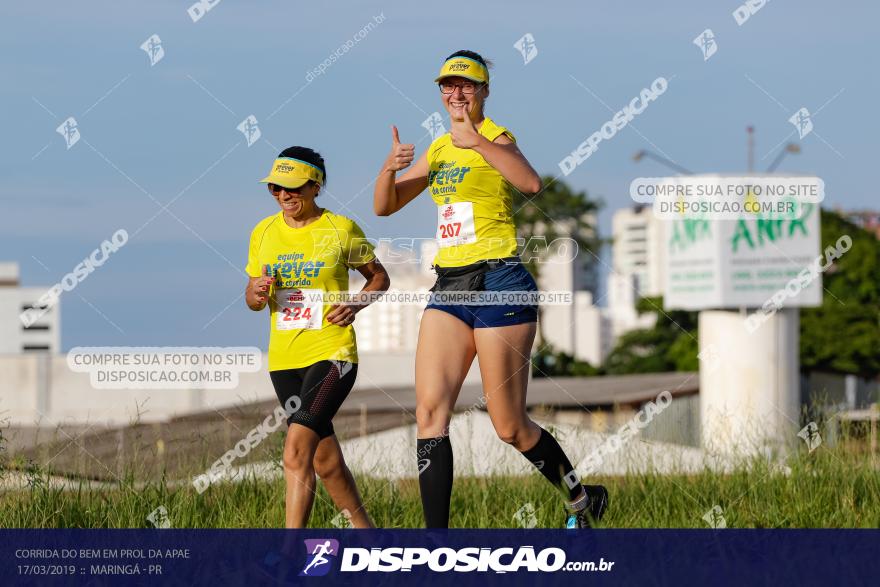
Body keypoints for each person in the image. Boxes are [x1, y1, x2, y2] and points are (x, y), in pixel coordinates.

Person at [373, 50, 608, 529]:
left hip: (500, 282)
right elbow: (386, 206)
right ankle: (435, 542)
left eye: (466, 85)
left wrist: (477, 142)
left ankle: (582, 500)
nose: (455, 93)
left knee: (510, 427)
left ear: (483, 91)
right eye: (447, 86)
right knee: (429, 413)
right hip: (450, 286)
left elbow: (531, 182)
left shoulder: (497, 137)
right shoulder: (440, 148)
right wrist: (389, 168)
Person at [246, 146, 389, 528]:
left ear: (315, 186)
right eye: (275, 188)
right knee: (324, 461)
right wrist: (256, 293)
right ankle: (371, 542)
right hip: (284, 361)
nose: (283, 196)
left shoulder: (340, 229)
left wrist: (356, 305)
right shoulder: (262, 232)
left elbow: (379, 278)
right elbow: (252, 299)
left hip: (332, 354)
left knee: (295, 452)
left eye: (292, 188)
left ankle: (290, 558)